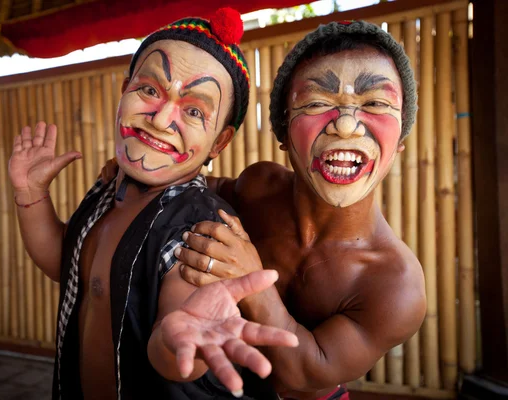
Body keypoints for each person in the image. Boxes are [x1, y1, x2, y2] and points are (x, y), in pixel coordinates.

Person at [8, 8, 298, 400]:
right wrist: (31, 196)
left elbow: (177, 322)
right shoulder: (106, 194)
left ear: (219, 143)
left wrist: (183, 337)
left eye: (194, 111)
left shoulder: (200, 225)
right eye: (149, 90)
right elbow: (67, 264)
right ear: (125, 89)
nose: (161, 119)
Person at [171, 20, 427, 400]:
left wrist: (251, 278)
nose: (345, 125)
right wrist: (152, 175)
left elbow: (309, 372)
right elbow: (197, 187)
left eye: (375, 103)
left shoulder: (395, 284)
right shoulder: (258, 188)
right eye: (317, 103)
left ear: (401, 139)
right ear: (283, 133)